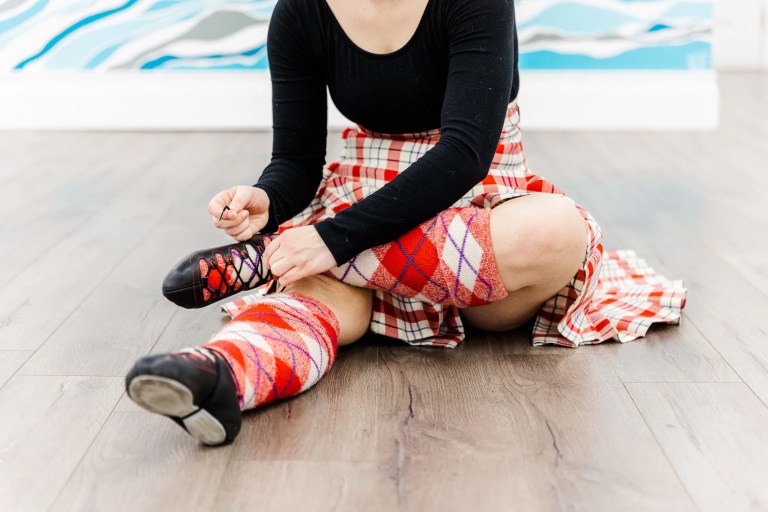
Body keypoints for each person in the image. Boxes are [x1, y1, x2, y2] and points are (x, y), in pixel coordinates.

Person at [125, 0, 688, 446]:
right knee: (312, 304)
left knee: (557, 231)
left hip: (472, 222)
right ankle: (220, 376)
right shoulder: (300, 12)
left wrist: (331, 241)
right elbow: (296, 162)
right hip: (362, 203)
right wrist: (267, 199)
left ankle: (265, 260)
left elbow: (465, 154)